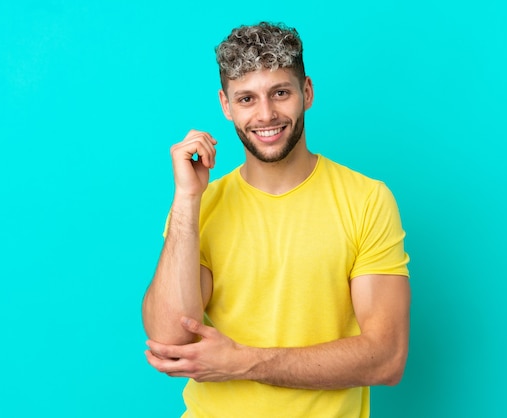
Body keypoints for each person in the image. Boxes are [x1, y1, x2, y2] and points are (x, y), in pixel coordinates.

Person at [142, 21, 411, 418]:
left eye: (280, 93)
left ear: (307, 92)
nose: (265, 115)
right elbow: (170, 339)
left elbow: (386, 358)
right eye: (247, 99)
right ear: (226, 106)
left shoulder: (366, 200)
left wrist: (242, 362)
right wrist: (186, 198)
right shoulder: (200, 206)